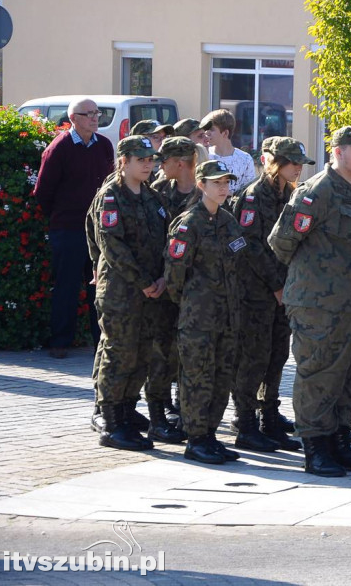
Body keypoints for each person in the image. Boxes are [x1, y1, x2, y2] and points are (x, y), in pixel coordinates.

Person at [268, 126, 351, 477]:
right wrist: (316, 277)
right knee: (319, 373)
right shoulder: (318, 190)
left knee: (346, 375)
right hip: (321, 303)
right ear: (337, 151)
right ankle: (315, 446)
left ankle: (337, 438)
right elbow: (282, 241)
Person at [230, 136, 314, 453]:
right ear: (274, 162)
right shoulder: (254, 197)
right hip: (256, 292)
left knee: (277, 355)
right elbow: (250, 247)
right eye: (292, 163)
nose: (298, 170)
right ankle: (245, 421)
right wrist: (277, 284)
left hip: (282, 291)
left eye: (300, 164)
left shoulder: (291, 195)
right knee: (253, 356)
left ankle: (269, 416)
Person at [86, 135, 170, 450]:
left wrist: (162, 278)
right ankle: (109, 417)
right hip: (122, 291)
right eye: (141, 160)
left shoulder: (152, 197)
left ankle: (126, 410)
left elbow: (166, 242)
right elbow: (111, 245)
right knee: (118, 352)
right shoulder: (111, 197)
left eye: (150, 160)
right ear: (124, 162)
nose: (148, 165)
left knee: (142, 352)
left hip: (150, 291)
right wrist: (144, 281)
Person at [164, 160, 245, 465]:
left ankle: (210, 434)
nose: (223, 189)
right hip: (198, 316)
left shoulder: (227, 221)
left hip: (227, 315)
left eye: (226, 183)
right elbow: (174, 275)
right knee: (197, 376)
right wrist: (191, 303)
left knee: (222, 376)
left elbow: (238, 263)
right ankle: (195, 437)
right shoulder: (188, 223)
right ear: (201, 185)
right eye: (216, 183)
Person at [34, 97, 115, 358]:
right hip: (68, 230)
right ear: (73, 119)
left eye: (97, 113)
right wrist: (62, 217)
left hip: (99, 231)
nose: (95, 118)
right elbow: (43, 192)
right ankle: (60, 342)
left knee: (99, 287)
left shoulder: (104, 145)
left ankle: (100, 342)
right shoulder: (59, 148)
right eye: (88, 113)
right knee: (66, 287)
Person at [146, 135, 199, 432]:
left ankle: (182, 407)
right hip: (161, 287)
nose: (158, 166)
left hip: (192, 289)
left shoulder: (205, 193)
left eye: (163, 161)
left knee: (185, 353)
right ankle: (158, 410)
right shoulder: (156, 192)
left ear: (179, 163)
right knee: (160, 351)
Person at [202, 109, 256, 193]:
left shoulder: (245, 159)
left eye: (211, 129)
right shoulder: (205, 155)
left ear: (225, 133)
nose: (207, 133)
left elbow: (248, 191)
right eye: (206, 129)